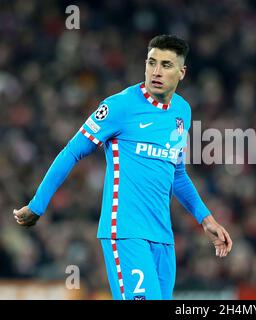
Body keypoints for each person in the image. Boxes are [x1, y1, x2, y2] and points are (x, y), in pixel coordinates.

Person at [13, 34, 233, 300]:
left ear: (181, 72)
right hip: (126, 233)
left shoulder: (182, 112)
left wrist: (206, 219)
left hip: (162, 238)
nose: (156, 71)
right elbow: (72, 151)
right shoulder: (119, 106)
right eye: (151, 62)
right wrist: (38, 204)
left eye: (165, 65)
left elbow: (177, 173)